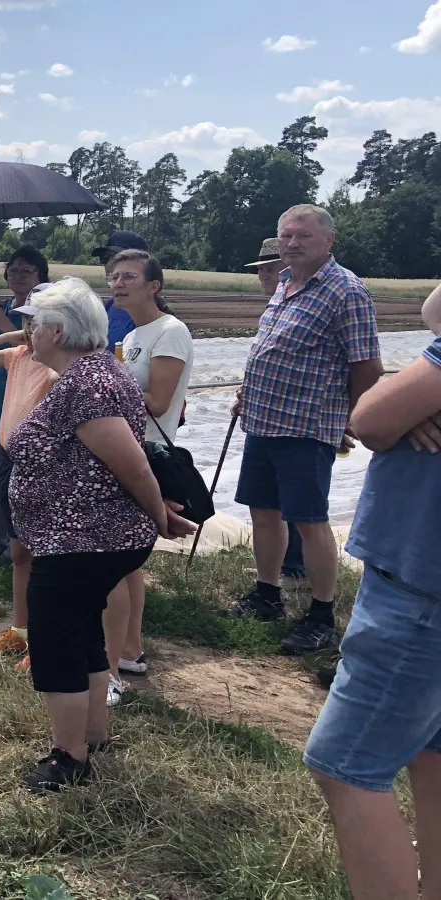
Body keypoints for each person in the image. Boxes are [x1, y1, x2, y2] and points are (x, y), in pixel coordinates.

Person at [4, 278, 195, 792]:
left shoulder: (87, 383)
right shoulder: (94, 372)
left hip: (85, 538)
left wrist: (160, 513)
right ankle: (92, 736)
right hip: (85, 536)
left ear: (57, 330)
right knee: (82, 632)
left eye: (32, 323)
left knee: (55, 641)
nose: (26, 332)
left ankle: (68, 758)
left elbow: (132, 465)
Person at [302, 320, 441, 900]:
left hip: (421, 582)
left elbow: (369, 419)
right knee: (431, 756)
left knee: (346, 766)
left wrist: (407, 404)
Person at [229, 205, 384, 656]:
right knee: (263, 511)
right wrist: (249, 389)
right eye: (286, 237)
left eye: (302, 236)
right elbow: (272, 350)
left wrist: (348, 419)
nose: (292, 244)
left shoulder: (346, 291)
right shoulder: (283, 283)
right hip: (263, 421)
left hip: (307, 426)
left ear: (328, 240)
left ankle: (320, 614)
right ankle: (267, 594)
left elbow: (367, 365)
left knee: (310, 521)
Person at [103, 250, 193, 699]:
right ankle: (130, 651)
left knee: (118, 560)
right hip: (130, 447)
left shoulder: (171, 332)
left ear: (153, 285)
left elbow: (157, 402)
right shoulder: (136, 333)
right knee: (130, 561)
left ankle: (111, 671)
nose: (118, 283)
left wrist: (102, 392)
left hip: (147, 451)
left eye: (129, 277)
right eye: (114, 277)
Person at [0, 285, 60, 670]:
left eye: (35, 321)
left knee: (47, 559)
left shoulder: (58, 370)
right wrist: (8, 334)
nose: (28, 327)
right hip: (15, 463)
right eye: (25, 319)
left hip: (43, 470)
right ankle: (20, 632)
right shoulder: (17, 355)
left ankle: (48, 638)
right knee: (21, 553)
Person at [0, 246, 47, 563]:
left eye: (26, 270)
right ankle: (1, 538)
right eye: (13, 270)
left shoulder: (42, 310)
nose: (18, 275)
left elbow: (36, 346)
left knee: (17, 477)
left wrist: (6, 323)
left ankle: (15, 545)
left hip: (25, 402)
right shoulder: (3, 306)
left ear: (40, 276)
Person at [244, 237, 306, 581]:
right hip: (264, 412)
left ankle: (294, 567)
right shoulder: (276, 302)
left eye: (269, 269)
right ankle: (280, 566)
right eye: (261, 270)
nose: (263, 276)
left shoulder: (299, 300)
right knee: (270, 499)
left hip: (298, 417)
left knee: (295, 497)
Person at [91, 229, 148, 349]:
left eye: (117, 258)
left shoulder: (150, 315)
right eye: (105, 258)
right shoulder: (111, 304)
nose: (109, 264)